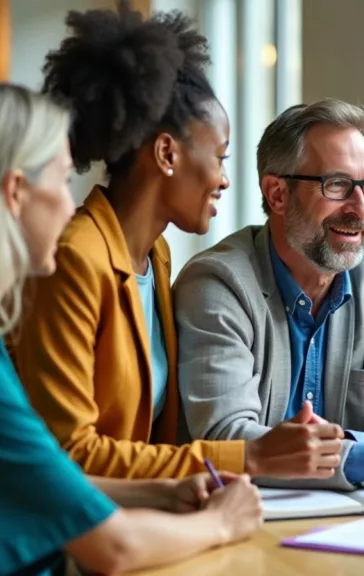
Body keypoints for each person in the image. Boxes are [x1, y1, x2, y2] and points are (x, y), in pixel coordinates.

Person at [10, 1, 342, 480]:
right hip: (78, 535)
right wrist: (249, 456)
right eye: (221, 157)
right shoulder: (75, 259)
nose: (225, 180)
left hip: (145, 515)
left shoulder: (155, 256)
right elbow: (71, 455)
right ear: (167, 153)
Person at [0, 82, 263, 576]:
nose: (68, 204)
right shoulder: (78, 258)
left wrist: (166, 489)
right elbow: (110, 542)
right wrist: (225, 519)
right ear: (15, 193)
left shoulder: (157, 257)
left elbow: (47, 480)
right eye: (60, 182)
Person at [173, 99, 364, 491]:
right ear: (277, 195)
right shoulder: (218, 283)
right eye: (337, 185)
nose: (359, 209)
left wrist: (354, 453)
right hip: (231, 517)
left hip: (339, 520)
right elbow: (227, 439)